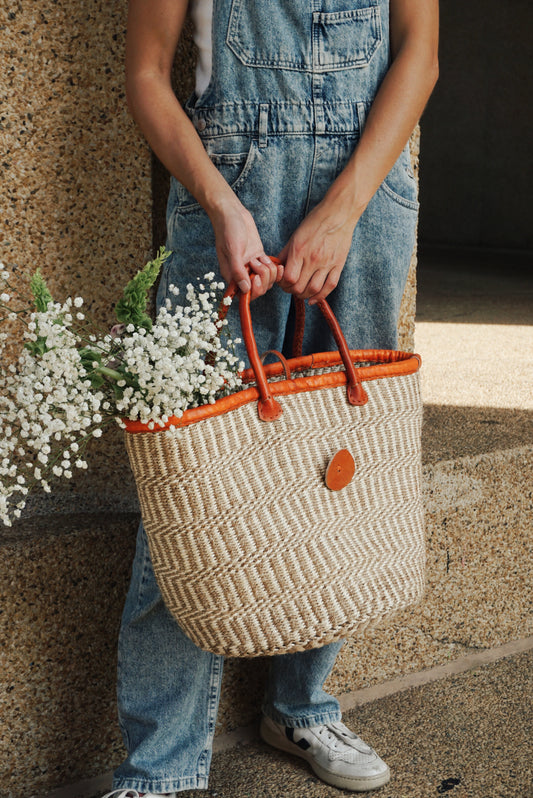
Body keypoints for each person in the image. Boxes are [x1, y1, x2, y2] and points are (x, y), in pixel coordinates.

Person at [104, 1, 438, 796]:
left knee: (336, 471)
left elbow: (417, 55)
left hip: (366, 207)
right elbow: (147, 73)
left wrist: (343, 211)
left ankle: (301, 705)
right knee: (190, 487)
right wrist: (219, 205)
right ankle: (160, 767)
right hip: (226, 198)